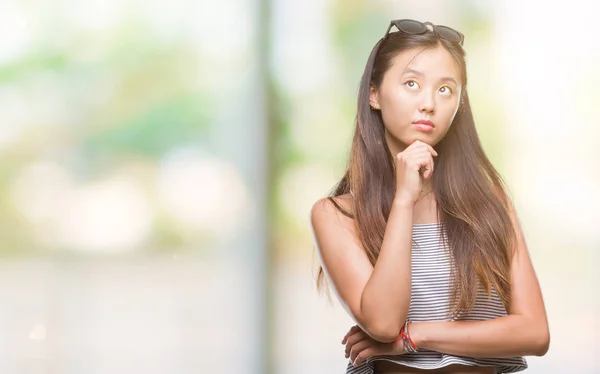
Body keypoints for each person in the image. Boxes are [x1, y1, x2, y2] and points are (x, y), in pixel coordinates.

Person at [309, 19, 550, 374]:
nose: (428, 104)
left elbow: (534, 332)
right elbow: (383, 322)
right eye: (411, 84)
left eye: (446, 90)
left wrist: (416, 335)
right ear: (374, 94)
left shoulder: (489, 203)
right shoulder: (337, 215)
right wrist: (404, 200)